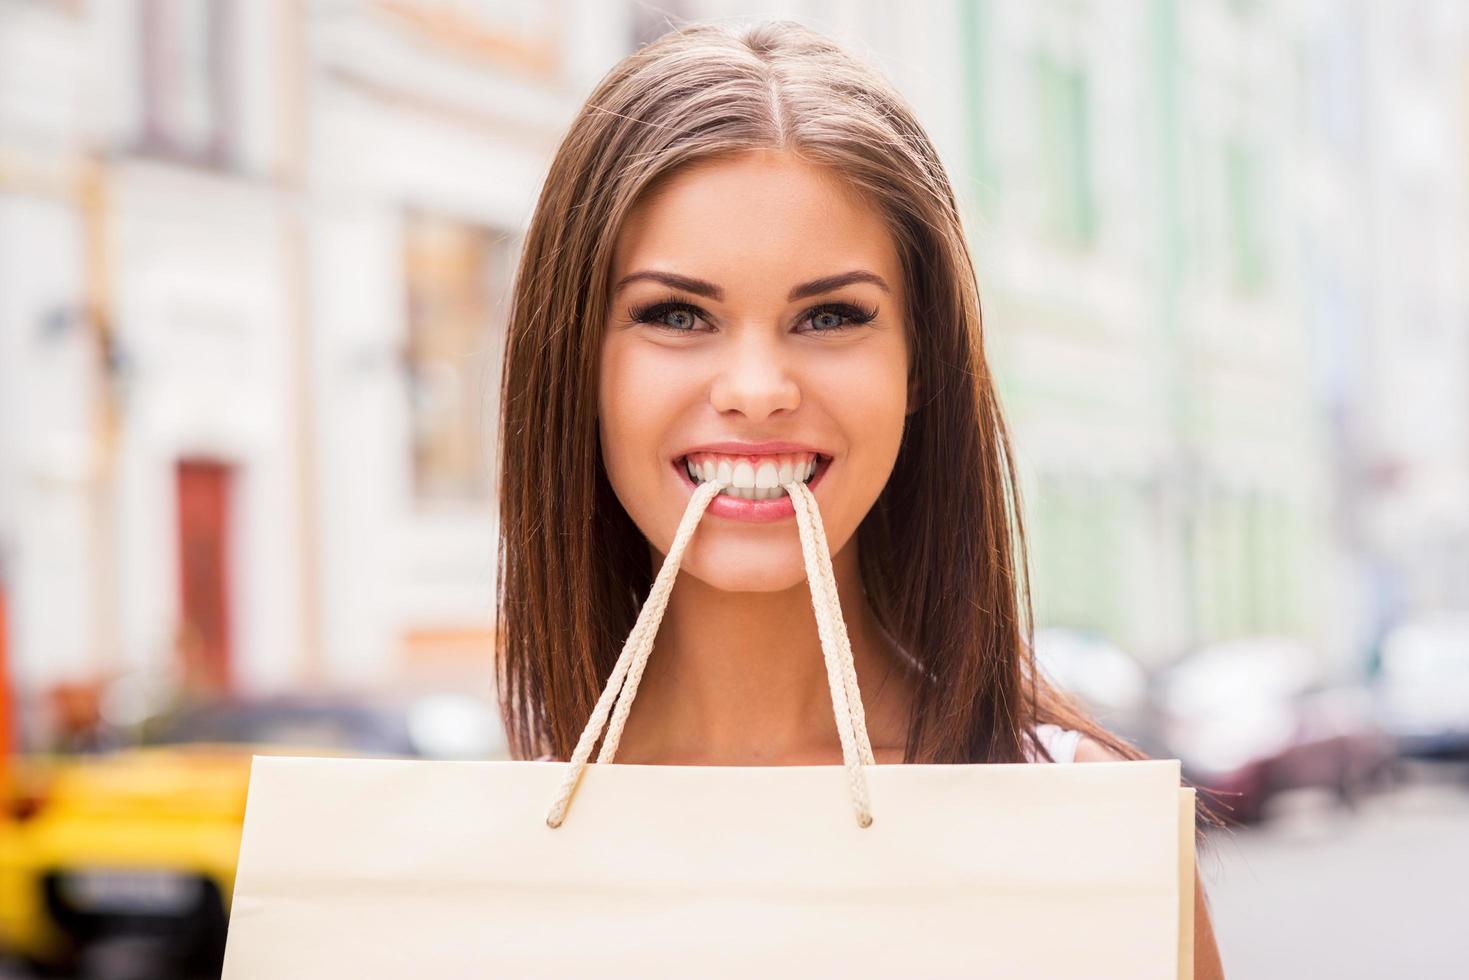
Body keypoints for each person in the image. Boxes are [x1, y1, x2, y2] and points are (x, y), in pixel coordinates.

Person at [494, 19, 1223, 977]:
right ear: (573, 366)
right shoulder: (468, 867)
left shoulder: (1084, 829)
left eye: (830, 315)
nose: (756, 387)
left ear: (920, 366)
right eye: (675, 314)